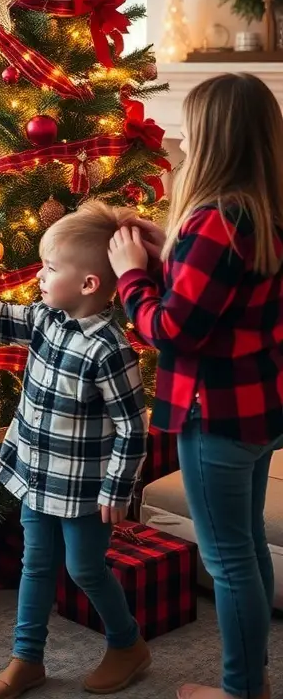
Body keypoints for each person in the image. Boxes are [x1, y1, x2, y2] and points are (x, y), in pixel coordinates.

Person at [108, 73, 283, 699]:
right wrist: (165, 256)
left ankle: (241, 691)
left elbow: (173, 329)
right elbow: (217, 297)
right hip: (261, 410)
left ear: (212, 138)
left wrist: (132, 277)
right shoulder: (263, 213)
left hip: (215, 418)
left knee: (228, 561)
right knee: (248, 549)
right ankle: (252, 680)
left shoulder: (216, 221)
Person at [0, 201, 150, 699]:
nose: (39, 275)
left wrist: (117, 491)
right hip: (37, 474)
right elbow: (5, 318)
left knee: (84, 569)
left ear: (89, 285)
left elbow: (132, 428)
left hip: (84, 490)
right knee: (35, 563)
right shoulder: (45, 318)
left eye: (51, 268)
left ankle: (127, 645)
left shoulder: (110, 350)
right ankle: (26, 658)